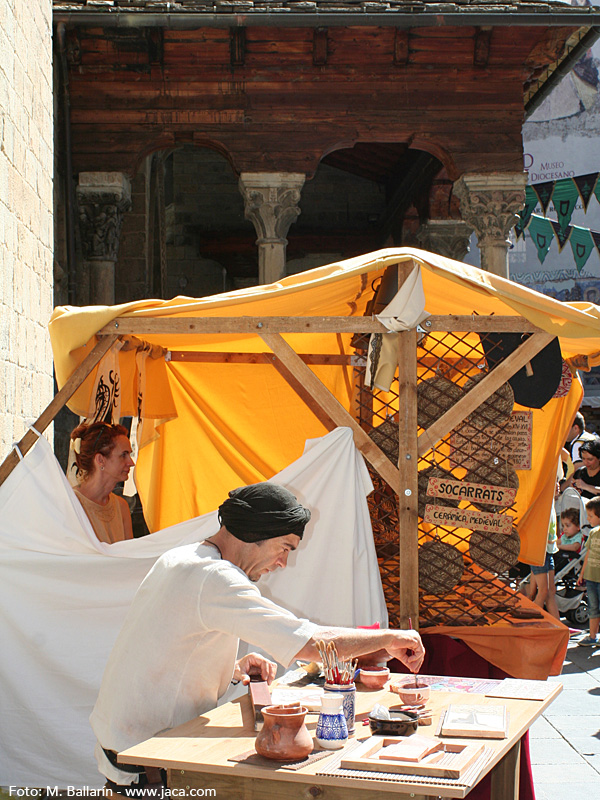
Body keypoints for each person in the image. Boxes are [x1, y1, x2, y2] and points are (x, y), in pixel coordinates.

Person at [90, 482, 425, 794]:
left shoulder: (183, 558)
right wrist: (389, 638)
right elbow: (312, 644)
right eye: (284, 547)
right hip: (147, 761)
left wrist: (231, 667)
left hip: (124, 744)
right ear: (256, 534)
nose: (283, 562)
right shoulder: (215, 577)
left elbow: (168, 645)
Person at [70, 421, 135, 544]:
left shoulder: (121, 507)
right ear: (100, 460)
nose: (131, 462)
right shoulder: (71, 504)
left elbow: (129, 558)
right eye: (123, 455)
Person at [527, 491, 560, 620]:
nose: (557, 485)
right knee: (543, 591)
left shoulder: (551, 502)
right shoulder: (541, 502)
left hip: (548, 550)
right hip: (538, 550)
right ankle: (532, 623)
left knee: (550, 591)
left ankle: (559, 626)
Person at [577, 496, 600, 646]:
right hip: (591, 577)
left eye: (591, 516)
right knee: (593, 607)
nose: (588, 518)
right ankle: (592, 637)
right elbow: (588, 555)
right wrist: (582, 573)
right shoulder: (593, 533)